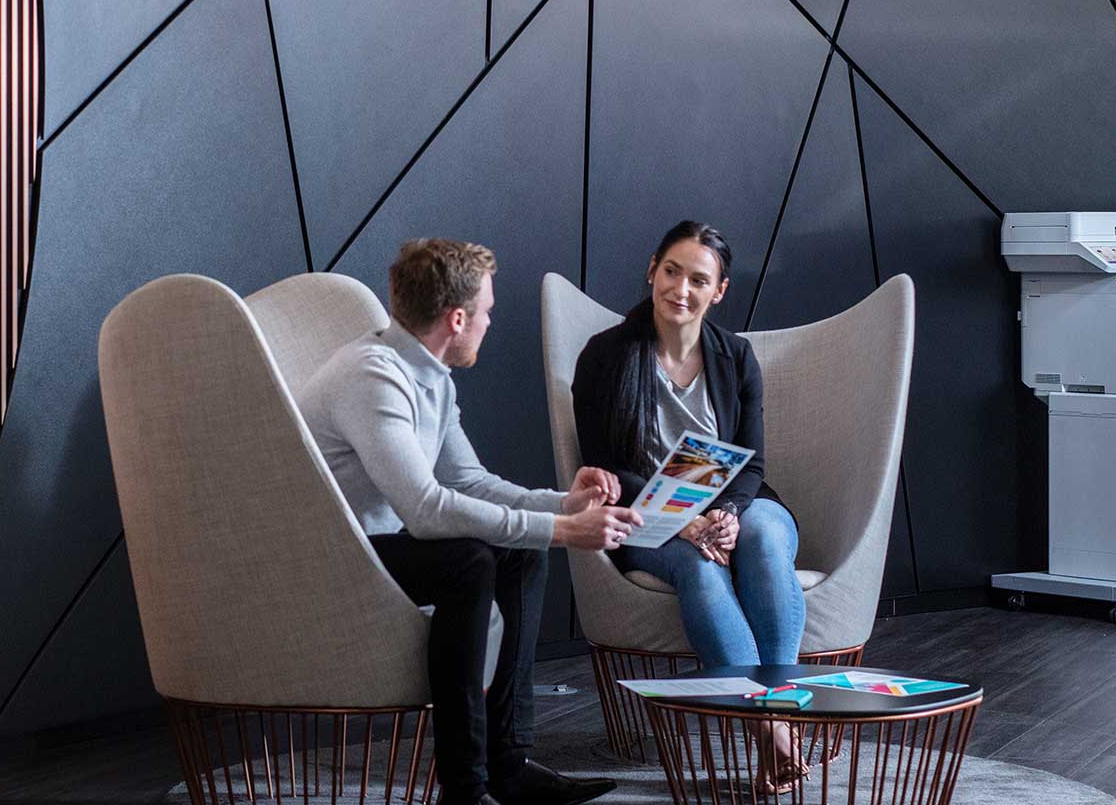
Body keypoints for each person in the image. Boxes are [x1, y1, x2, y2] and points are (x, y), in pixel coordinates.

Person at [300, 238, 641, 805]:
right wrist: (562, 533)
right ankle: (464, 788)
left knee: (516, 552)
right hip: (336, 557)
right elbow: (426, 509)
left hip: (385, 546)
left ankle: (508, 763)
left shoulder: (430, 374)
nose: (488, 322)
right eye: (485, 313)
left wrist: (564, 504)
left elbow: (469, 483)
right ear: (456, 319)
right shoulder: (372, 376)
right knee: (469, 560)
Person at [568, 221, 808, 790]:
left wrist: (725, 516)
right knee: (700, 568)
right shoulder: (605, 356)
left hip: (734, 503)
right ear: (652, 269)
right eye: (671, 271)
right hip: (644, 516)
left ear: (718, 291)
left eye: (698, 279)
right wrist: (687, 522)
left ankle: (774, 714)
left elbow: (751, 462)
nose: (681, 289)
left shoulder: (736, 357)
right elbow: (604, 467)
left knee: (766, 539)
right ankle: (775, 727)